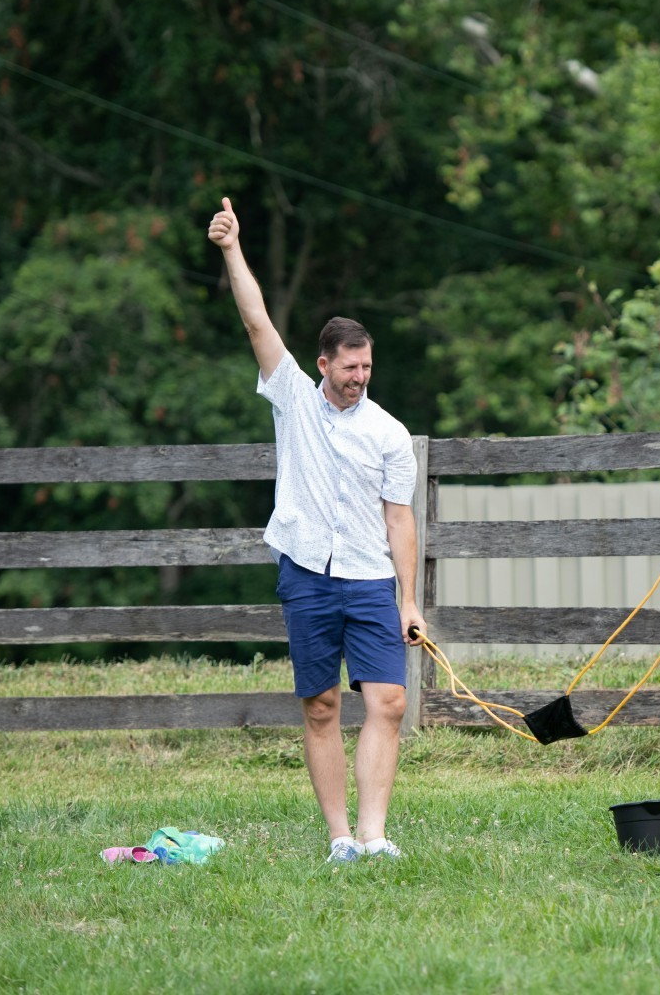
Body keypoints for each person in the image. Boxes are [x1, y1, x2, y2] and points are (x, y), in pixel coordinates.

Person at [207, 196, 425, 863]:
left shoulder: (388, 433)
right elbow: (255, 321)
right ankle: (339, 839)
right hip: (305, 571)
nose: (360, 377)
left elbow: (400, 517)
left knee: (387, 702)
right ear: (324, 363)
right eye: (349, 367)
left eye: (367, 367)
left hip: (368, 579)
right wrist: (231, 249)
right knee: (323, 705)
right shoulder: (293, 399)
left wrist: (408, 601)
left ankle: (375, 834)